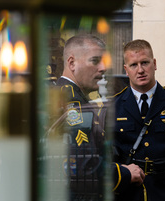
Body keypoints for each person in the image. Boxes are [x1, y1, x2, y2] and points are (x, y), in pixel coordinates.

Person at [50, 34, 108, 200]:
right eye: (95, 61)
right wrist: (125, 173)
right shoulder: (73, 102)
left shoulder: (62, 95)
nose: (103, 67)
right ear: (72, 63)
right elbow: (84, 166)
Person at [113, 39, 165, 200]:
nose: (140, 70)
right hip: (129, 193)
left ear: (154, 63)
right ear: (126, 70)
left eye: (145, 63)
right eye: (134, 65)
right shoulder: (112, 107)